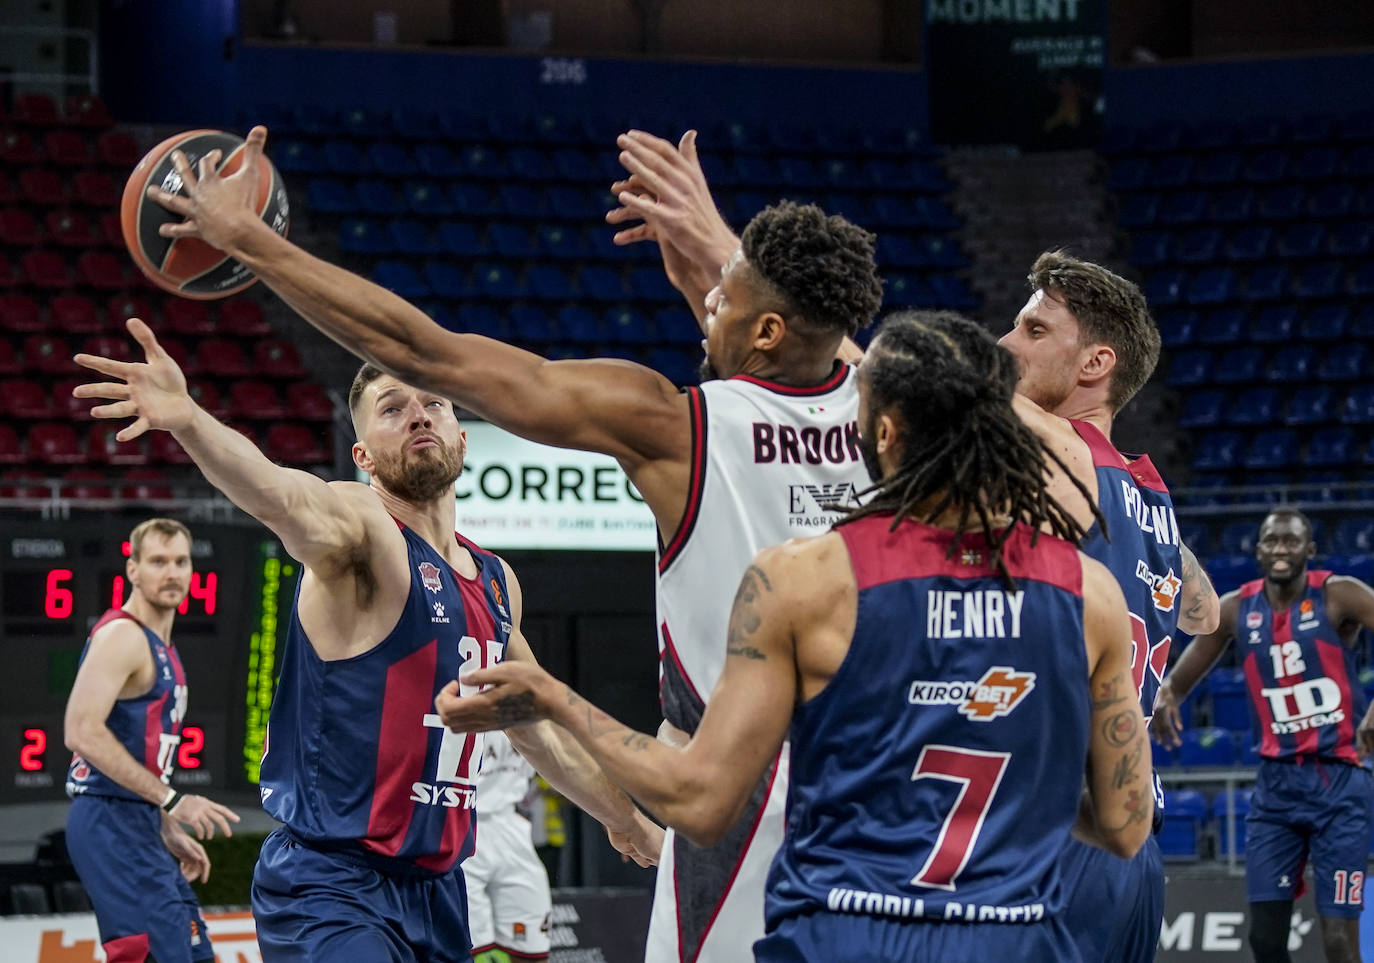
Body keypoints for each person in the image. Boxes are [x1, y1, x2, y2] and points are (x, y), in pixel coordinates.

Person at [145, 128, 883, 962]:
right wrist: (719, 247)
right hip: (881, 781)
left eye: (725, 294)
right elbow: (833, 348)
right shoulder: (894, 417)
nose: (708, 296)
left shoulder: (674, 424)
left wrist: (251, 242)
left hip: (733, 790)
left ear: (769, 329)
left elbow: (427, 350)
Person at [606, 130, 1222, 961]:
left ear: (1096, 365)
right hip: (1131, 845)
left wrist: (731, 253)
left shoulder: (1060, 452)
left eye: (1033, 331)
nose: (1006, 346)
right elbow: (1202, 607)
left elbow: (902, 374)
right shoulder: (1149, 492)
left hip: (1047, 835)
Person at [435, 310, 1154, 960]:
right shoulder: (1087, 591)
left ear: (886, 433)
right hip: (1016, 936)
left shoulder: (809, 578)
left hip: (846, 930)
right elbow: (1126, 825)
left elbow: (699, 800)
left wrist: (553, 700)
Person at [73, 323, 661, 962]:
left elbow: (536, 728)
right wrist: (189, 420)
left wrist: (623, 818)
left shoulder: (496, 582)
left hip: (438, 889)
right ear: (363, 456)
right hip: (332, 884)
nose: (417, 416)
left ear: (462, 437)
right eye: (392, 409)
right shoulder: (363, 529)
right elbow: (279, 494)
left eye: (433, 403)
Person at [1153, 508, 1374, 963]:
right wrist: (1167, 695)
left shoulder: (1339, 595)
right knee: (1265, 941)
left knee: (1337, 940)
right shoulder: (1236, 607)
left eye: (1290, 541)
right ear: (1257, 550)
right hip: (1275, 792)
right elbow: (1180, 677)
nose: (1280, 549)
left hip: (1339, 786)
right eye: (1271, 541)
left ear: (1309, 551)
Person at [63, 517, 242, 963]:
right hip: (108, 821)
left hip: (139, 823)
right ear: (133, 570)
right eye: (158, 561)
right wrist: (172, 801)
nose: (172, 572)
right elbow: (81, 731)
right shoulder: (123, 635)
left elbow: (138, 756)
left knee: (196, 954)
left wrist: (166, 827)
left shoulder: (165, 648)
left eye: (181, 561)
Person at [466, 731, 553, 963]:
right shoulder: (445, 696)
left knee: (532, 950)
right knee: (472, 953)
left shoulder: (533, 700)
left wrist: (610, 818)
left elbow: (563, 760)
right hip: (459, 823)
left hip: (510, 822)